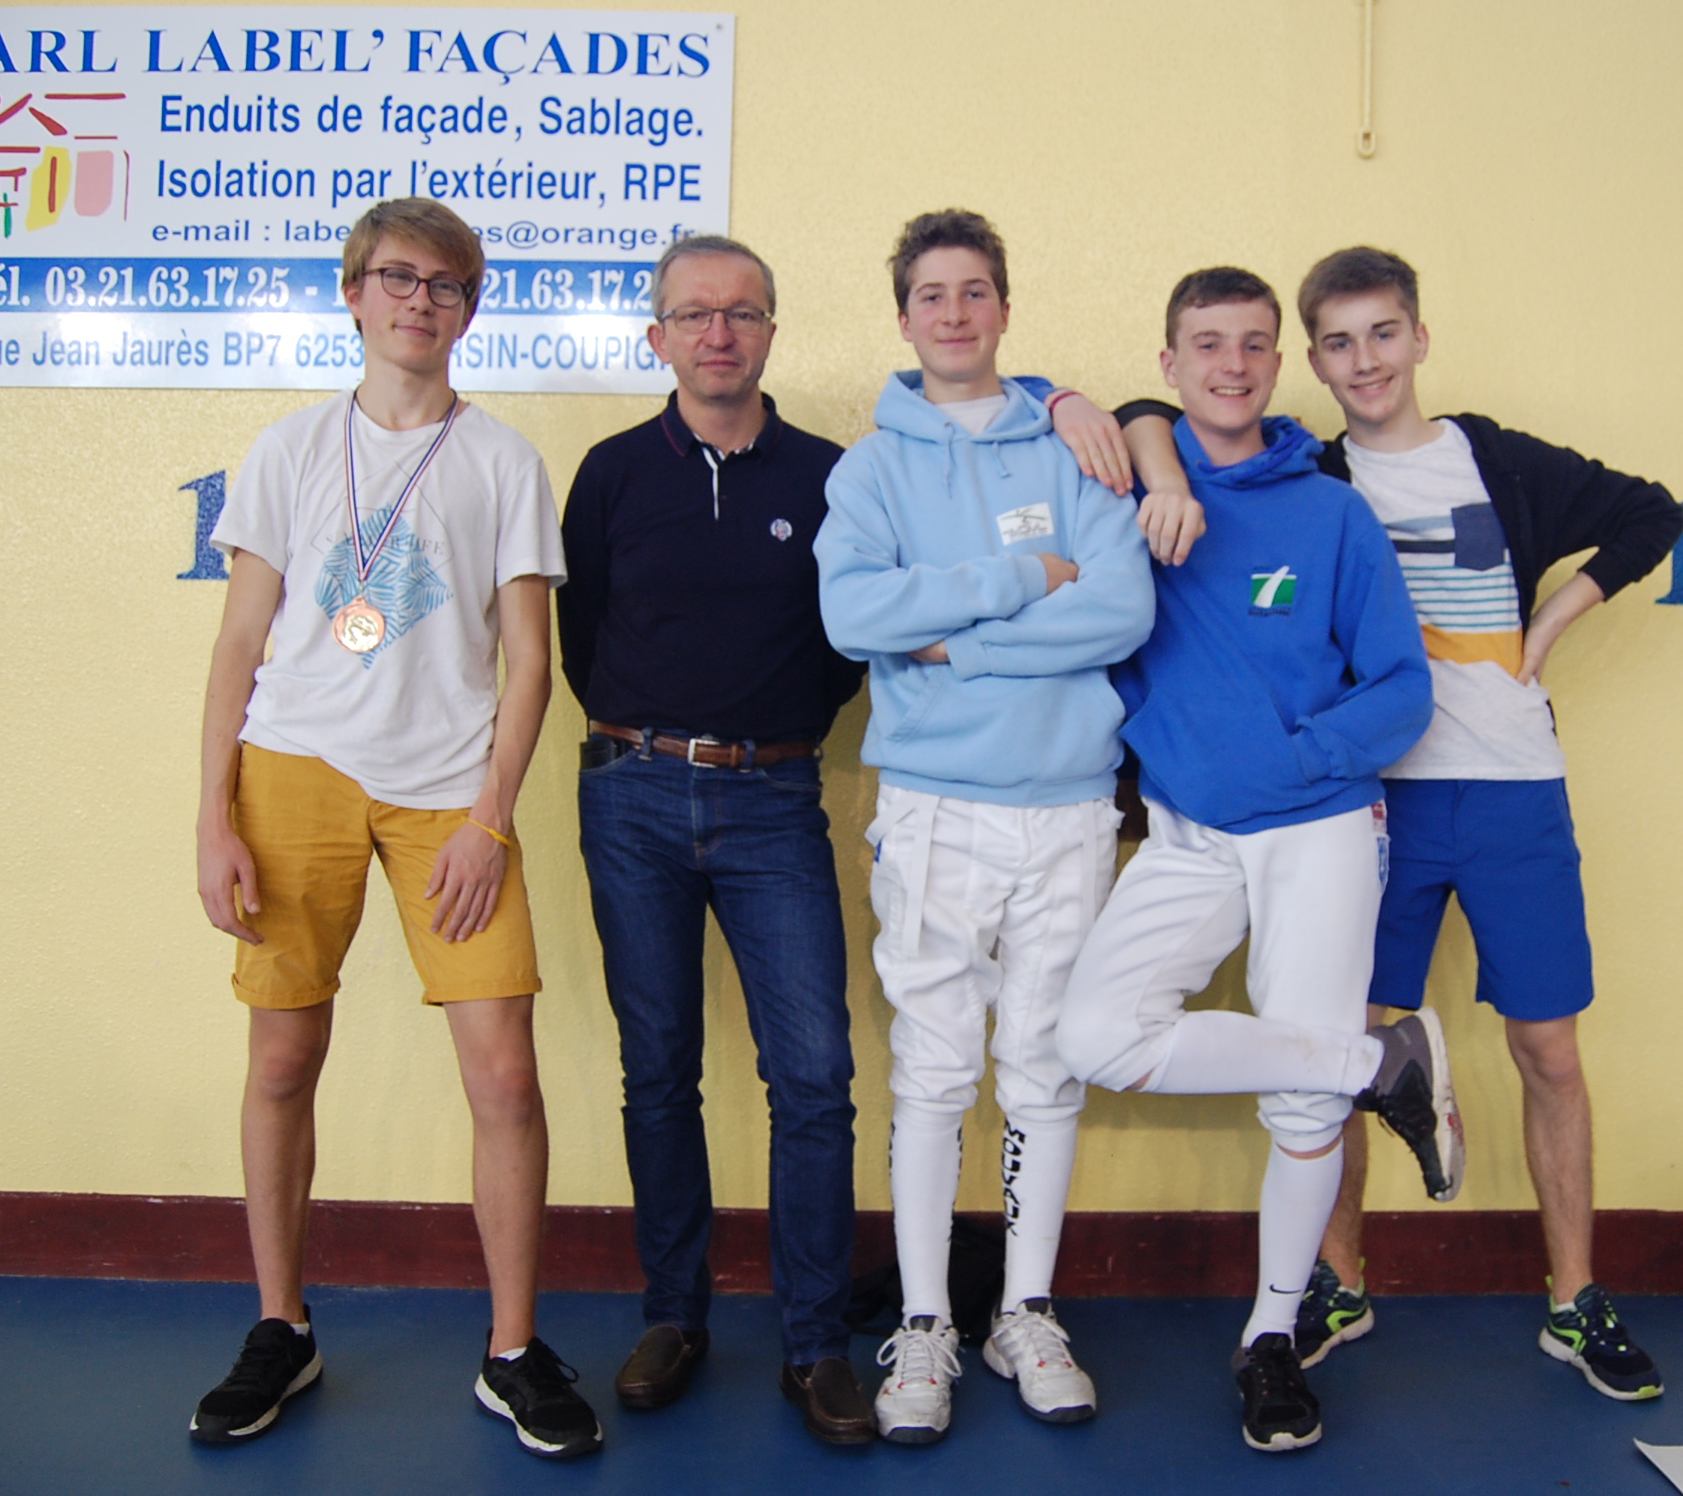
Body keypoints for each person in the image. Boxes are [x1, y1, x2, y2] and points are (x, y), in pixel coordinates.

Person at [559, 231, 1138, 1446]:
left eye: (743, 312)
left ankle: (817, 1340)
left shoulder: (827, 469)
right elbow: (602, 633)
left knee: (816, 1072)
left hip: (776, 794)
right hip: (634, 790)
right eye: (695, 314)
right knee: (658, 1066)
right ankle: (674, 1316)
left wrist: (960, 627)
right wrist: (1032, 577)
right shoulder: (615, 473)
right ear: (659, 334)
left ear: (774, 330)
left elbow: (1094, 609)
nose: (719, 333)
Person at [1119, 245, 1683, 1401]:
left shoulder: (1494, 459)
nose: (1365, 359)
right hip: (1373, 800)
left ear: (1419, 338)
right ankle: (1339, 1280)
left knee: (1549, 1049)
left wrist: (1549, 624)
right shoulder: (1311, 477)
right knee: (1347, 1044)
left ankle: (1575, 1297)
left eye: (1384, 332)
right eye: (1339, 342)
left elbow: (1649, 512)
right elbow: (1146, 412)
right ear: (1312, 362)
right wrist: (1148, 452)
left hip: (1515, 789)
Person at [189, 198, 598, 1459]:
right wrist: (212, 816)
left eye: (446, 285)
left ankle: (513, 1349)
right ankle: (282, 1325)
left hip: (446, 794)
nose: (421, 301)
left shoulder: (503, 461)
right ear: (353, 292)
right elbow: (239, 642)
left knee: (505, 1073)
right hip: (292, 771)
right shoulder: (288, 448)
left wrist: (490, 819)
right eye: (398, 278)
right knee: (280, 1059)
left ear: (471, 309)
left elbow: (529, 663)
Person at [1055, 266, 1459, 1455]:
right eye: (1206, 344)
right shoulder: (1125, 491)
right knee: (1098, 1032)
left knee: (1301, 1104)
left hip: (1320, 824)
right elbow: (998, 390)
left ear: (1278, 364)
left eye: (1251, 345)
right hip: (1189, 831)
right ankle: (1375, 1060)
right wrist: (1094, 414)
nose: (1230, 365)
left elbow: (1403, 689)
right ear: (1168, 364)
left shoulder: (1332, 513)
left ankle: (1273, 1335)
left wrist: (1294, 760)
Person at [815, 208, 1157, 1446]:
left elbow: (1120, 609)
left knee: (1045, 1065)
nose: (954, 313)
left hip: (1066, 802)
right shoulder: (870, 470)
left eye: (975, 291)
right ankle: (925, 1322)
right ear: (903, 317)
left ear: (1005, 308)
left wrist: (955, 641)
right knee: (934, 1066)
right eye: (932, 295)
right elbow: (858, 617)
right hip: (935, 807)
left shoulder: (1075, 449)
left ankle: (1025, 1310)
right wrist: (1019, 581)